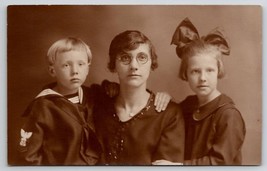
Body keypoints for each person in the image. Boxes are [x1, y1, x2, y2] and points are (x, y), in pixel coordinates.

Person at [17, 37, 171, 165]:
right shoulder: (43, 106)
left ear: (88, 68)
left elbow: (130, 91)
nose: (75, 71)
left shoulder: (93, 94)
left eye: (81, 64)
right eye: (66, 65)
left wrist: (159, 96)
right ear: (52, 70)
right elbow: (29, 156)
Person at [93, 30, 185, 165]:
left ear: (151, 63)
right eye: (125, 58)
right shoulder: (98, 104)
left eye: (142, 57)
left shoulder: (169, 115)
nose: (134, 66)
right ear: (114, 65)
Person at [171, 18, 246, 165]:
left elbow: (221, 162)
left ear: (219, 71)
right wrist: (165, 98)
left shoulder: (228, 115)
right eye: (195, 71)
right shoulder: (188, 106)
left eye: (210, 70)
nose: (203, 78)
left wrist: (179, 167)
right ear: (185, 73)